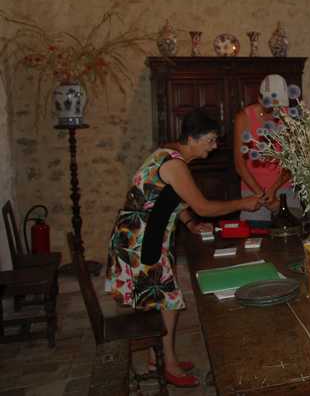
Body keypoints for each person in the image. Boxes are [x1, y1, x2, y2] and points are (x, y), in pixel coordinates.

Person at [106, 109, 264, 387]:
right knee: (168, 301)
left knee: (164, 301)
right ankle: (169, 365)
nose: (214, 146)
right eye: (210, 140)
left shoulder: (169, 154)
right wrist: (243, 203)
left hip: (142, 235)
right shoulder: (175, 165)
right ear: (191, 139)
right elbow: (203, 206)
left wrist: (190, 224)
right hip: (142, 240)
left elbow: (170, 199)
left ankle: (158, 358)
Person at [233, 74, 296, 222]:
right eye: (271, 106)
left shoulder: (289, 117)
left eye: (278, 106)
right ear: (259, 99)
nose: (276, 110)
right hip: (252, 190)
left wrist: (273, 190)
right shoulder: (244, 118)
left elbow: (292, 162)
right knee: (254, 233)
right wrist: (263, 195)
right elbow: (240, 165)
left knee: (292, 232)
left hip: (284, 188)